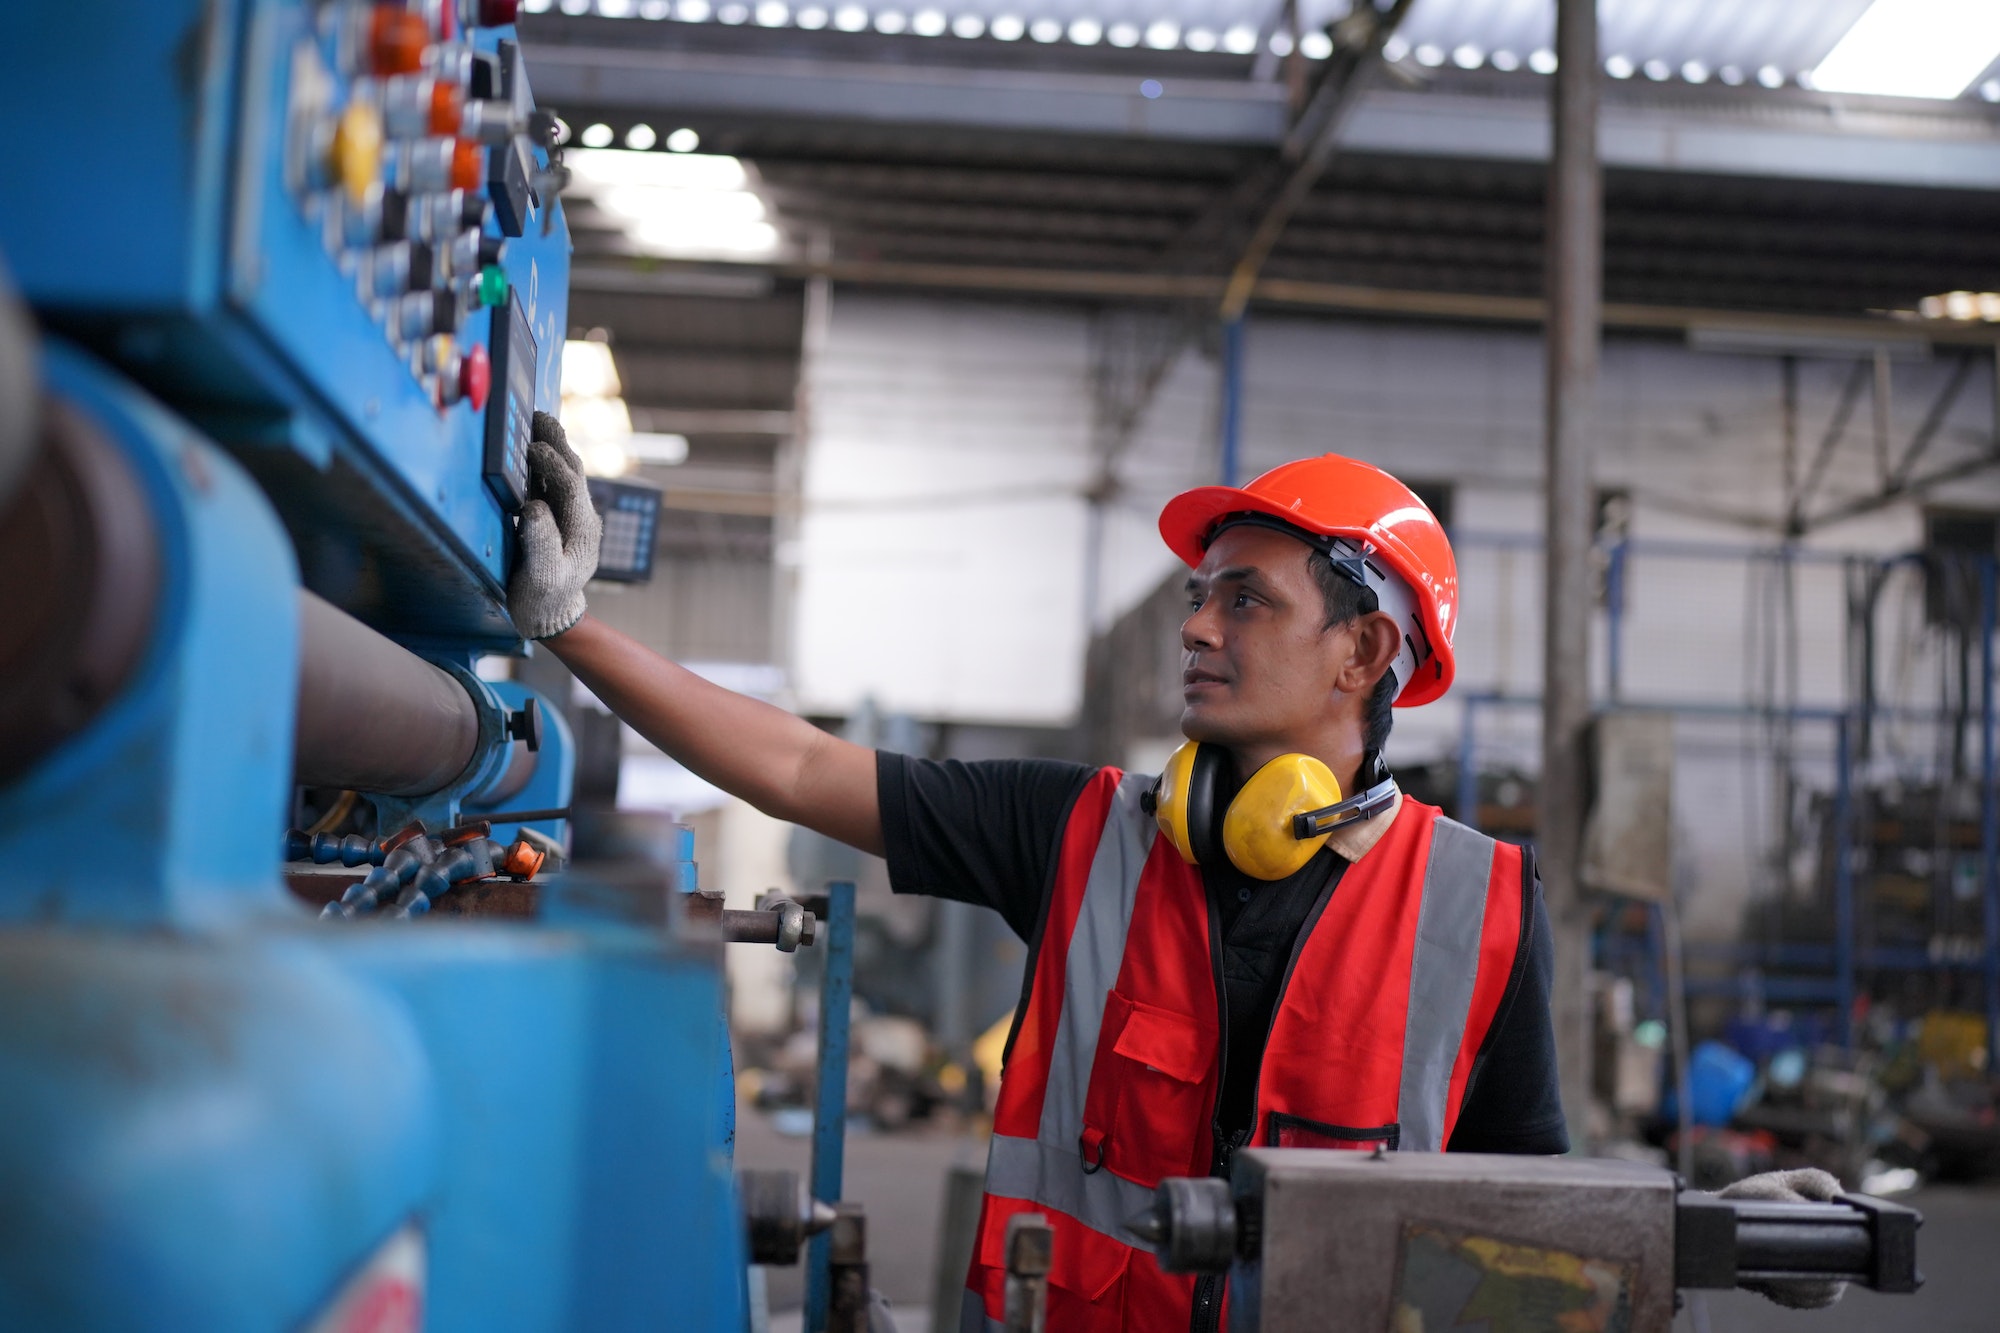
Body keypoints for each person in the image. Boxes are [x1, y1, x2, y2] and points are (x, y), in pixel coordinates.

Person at [506, 414, 1838, 1330]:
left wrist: (1702, 1222)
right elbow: (800, 770)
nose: (1196, 624)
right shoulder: (1081, 833)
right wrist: (572, 626)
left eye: (1244, 598)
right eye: (1201, 594)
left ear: (1363, 653)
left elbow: (1519, 1210)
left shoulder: (1480, 905)